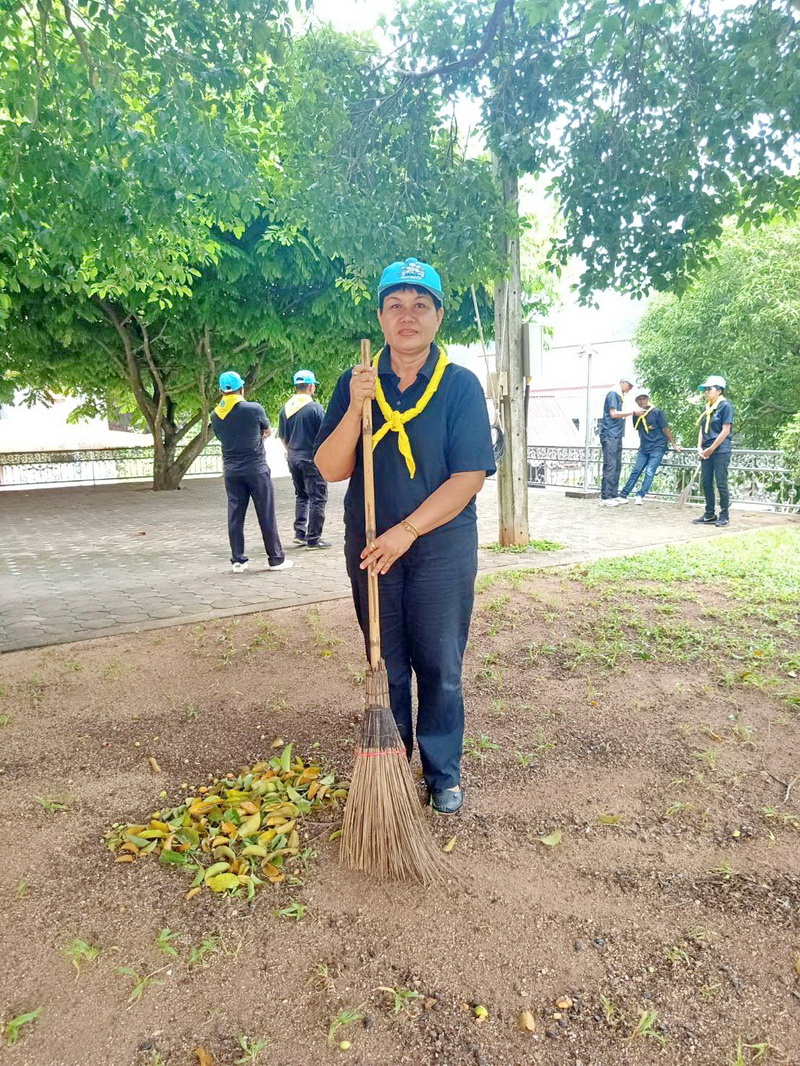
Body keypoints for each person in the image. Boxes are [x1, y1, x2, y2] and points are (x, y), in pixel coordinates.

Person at [314, 257, 496, 814]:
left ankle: (442, 772)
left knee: (440, 663)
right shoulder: (357, 382)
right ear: (380, 316)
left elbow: (468, 477)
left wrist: (408, 531)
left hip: (439, 545)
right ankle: (388, 770)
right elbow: (329, 467)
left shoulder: (460, 385)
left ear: (439, 317)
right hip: (371, 545)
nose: (407, 315)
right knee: (384, 661)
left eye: (420, 305)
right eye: (395, 305)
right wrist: (358, 406)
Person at [210, 371, 293, 573]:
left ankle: (238, 560)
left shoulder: (215, 415)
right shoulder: (253, 408)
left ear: (221, 391)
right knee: (266, 513)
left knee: (235, 515)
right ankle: (276, 559)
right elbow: (266, 430)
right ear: (242, 388)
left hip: (231, 471)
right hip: (256, 469)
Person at [278, 370, 330, 549]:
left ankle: (299, 533)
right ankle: (313, 539)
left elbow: (282, 437)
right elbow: (325, 436)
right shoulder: (315, 408)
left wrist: (292, 452)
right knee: (318, 498)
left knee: (302, 496)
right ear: (310, 386)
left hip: (293, 458)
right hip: (310, 459)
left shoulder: (285, 408)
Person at [617, 391, 681, 504]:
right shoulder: (636, 415)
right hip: (644, 447)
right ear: (636, 401)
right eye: (639, 399)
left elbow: (665, 429)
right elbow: (639, 430)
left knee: (650, 471)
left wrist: (673, 444)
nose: (642, 401)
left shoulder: (656, 412)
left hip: (657, 446)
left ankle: (640, 495)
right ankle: (624, 494)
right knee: (636, 470)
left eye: (644, 399)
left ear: (648, 399)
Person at [693, 374, 734, 528]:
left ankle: (724, 515)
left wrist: (711, 448)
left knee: (721, 483)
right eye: (705, 389)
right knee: (706, 482)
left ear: (719, 391)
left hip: (720, 449)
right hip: (706, 450)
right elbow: (702, 429)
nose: (706, 392)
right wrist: (700, 447)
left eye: (709, 389)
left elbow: (725, 430)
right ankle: (709, 513)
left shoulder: (725, 406)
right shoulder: (708, 408)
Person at [599, 378, 639, 506]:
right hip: (610, 434)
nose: (630, 388)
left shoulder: (619, 396)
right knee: (610, 464)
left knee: (617, 465)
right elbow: (613, 414)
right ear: (622, 382)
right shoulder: (613, 394)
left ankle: (613, 494)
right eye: (630, 385)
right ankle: (605, 497)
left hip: (616, 434)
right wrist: (632, 412)